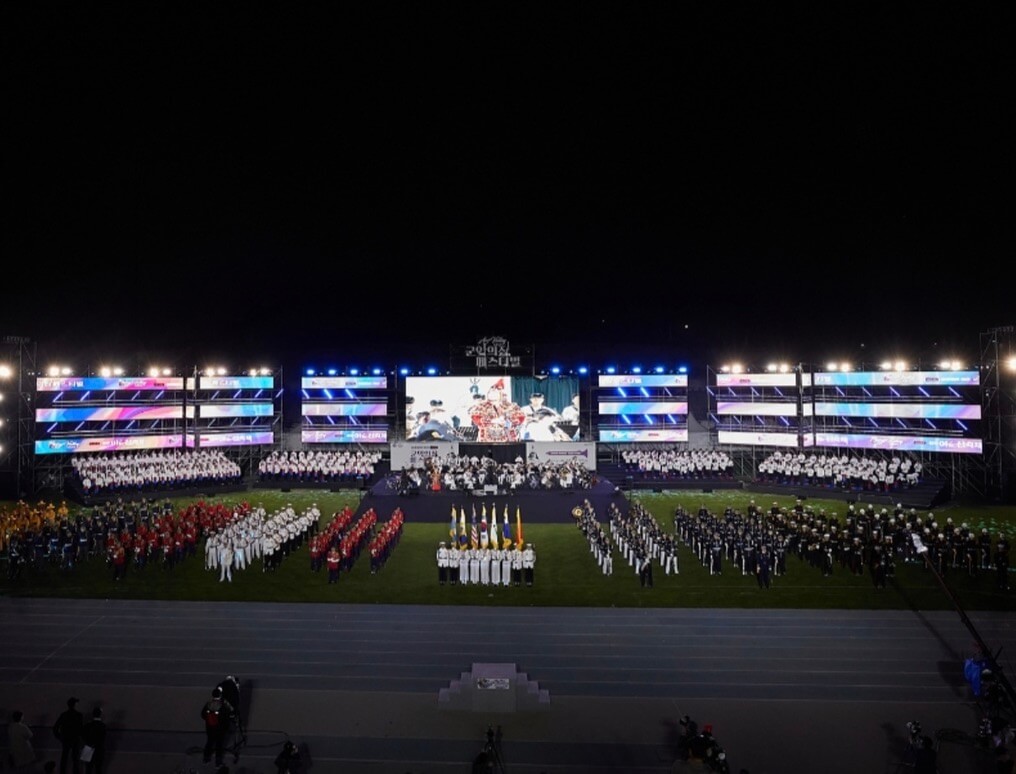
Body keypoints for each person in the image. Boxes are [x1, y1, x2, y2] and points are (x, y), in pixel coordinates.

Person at [200, 685, 235, 768]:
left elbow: (203, 715)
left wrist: (209, 720)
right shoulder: (222, 705)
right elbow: (227, 716)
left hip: (210, 728)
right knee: (219, 745)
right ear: (220, 695)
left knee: (209, 742)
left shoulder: (208, 704)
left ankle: (206, 758)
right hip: (220, 729)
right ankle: (218, 762)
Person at [52, 696, 84, 774]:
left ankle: (63, 772)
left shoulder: (64, 715)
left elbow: (55, 727)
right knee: (75, 759)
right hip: (76, 739)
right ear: (75, 705)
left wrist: (60, 737)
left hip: (66, 739)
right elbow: (81, 729)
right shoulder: (79, 715)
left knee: (64, 757)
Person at [81, 707, 106, 774]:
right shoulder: (103, 726)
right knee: (98, 768)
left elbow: (83, 735)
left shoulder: (87, 725)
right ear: (100, 714)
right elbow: (103, 738)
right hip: (99, 749)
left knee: (88, 768)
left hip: (88, 747)